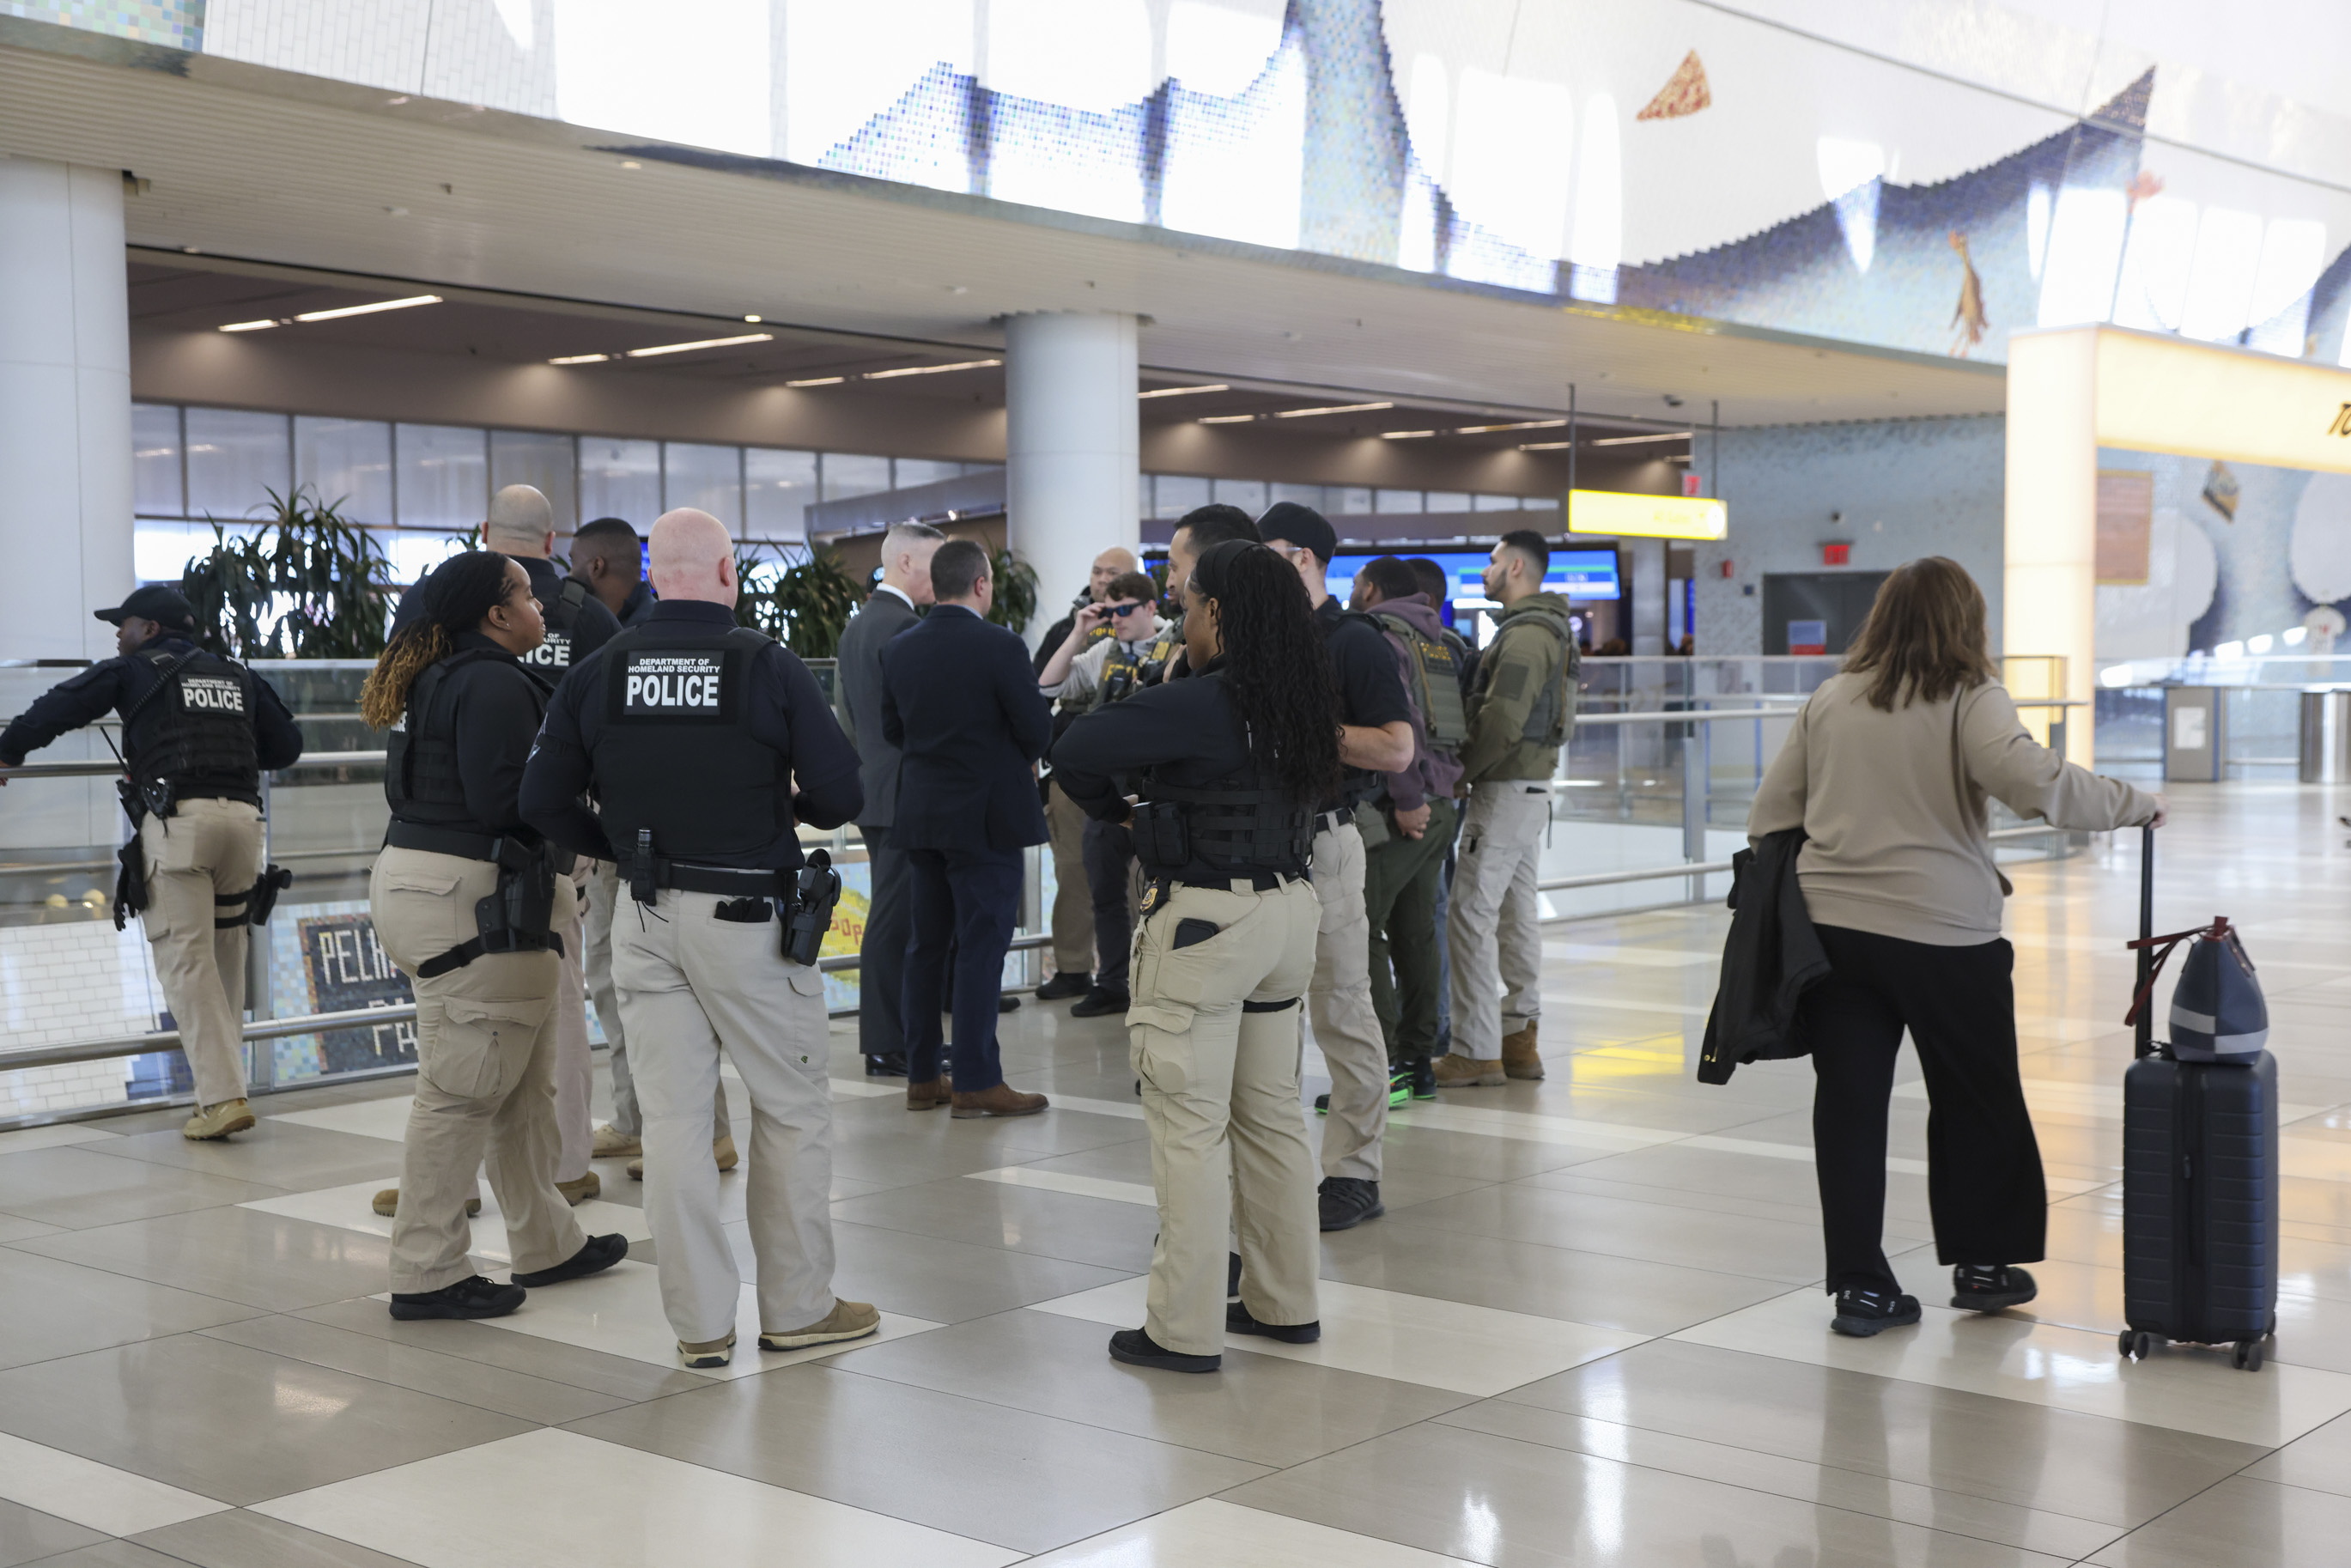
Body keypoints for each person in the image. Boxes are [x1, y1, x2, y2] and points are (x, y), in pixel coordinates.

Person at [1749, 556, 2163, 1337]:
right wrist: (2135, 804)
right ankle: (1981, 1265)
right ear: (1967, 623)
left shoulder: (1832, 699)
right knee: (1976, 1097)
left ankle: (1862, 1288)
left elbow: (1771, 814)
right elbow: (2033, 780)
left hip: (1835, 937)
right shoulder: (1971, 697)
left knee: (1849, 1106)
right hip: (1945, 936)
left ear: (1883, 617)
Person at [522, 508, 877, 1369]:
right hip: (749, 921)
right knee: (788, 1112)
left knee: (674, 1125)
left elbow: (541, 801)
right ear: (726, 572)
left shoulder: (600, 669)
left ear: (653, 570)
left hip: (643, 917)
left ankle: (700, 1325)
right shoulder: (766, 664)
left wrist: (622, 847)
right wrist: (775, 803)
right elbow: (838, 795)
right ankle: (797, 1305)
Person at [1052, 538, 1333, 1373]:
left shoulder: (1204, 703)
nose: (1183, 617)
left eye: (1188, 604)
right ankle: (1286, 1302)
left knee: (1188, 1126)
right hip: (1287, 915)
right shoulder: (1302, 702)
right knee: (1273, 1119)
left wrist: (1127, 814)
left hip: (1206, 926)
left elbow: (1072, 749)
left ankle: (1181, 1328)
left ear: (1217, 613)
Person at [361, 551, 628, 1321]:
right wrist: (608, 835)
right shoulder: (490, 683)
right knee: (461, 1092)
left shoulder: (441, 676)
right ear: (496, 614)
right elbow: (510, 800)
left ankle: (546, 1239)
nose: (541, 599)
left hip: (434, 881)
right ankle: (426, 1270)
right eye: (525, 591)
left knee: (518, 1080)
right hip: (476, 893)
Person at [0, 586, 302, 1140]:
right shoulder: (238, 673)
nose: (119, 634)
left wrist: (8, 749)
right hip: (243, 826)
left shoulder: (132, 670)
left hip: (180, 825)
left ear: (152, 630)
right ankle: (222, 1089)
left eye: (127, 624)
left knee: (187, 960)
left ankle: (221, 1097)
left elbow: (60, 707)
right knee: (226, 954)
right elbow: (286, 747)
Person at [1254, 503, 1413, 1233]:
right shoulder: (1256, 643)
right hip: (1259, 844)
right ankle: (1276, 1169)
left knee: (1343, 1009)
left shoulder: (1356, 643)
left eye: (1271, 554)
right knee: (1267, 1020)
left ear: (1307, 559)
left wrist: (1309, 731)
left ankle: (1354, 1171)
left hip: (1325, 842)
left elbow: (1396, 750)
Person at [879, 538, 1054, 1116]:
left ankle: (924, 1075)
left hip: (922, 812)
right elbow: (1035, 730)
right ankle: (977, 1078)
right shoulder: (1000, 645)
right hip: (986, 818)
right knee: (981, 948)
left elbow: (893, 729)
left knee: (925, 947)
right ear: (982, 584)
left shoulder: (900, 647)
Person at [1440, 531, 1578, 1087]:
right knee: (1518, 915)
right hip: (1531, 791)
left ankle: (1474, 1049)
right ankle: (1520, 1040)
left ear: (1517, 567)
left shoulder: (1523, 638)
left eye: (1493, 561)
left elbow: (1501, 721)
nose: (1486, 571)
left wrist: (1459, 773)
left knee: (1468, 915)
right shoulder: (1551, 630)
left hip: (1503, 790)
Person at [1036, 568, 1179, 1018]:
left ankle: (1155, 983)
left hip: (1156, 788)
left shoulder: (1176, 644)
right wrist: (1081, 628)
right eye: (1110, 610)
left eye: (1124, 610)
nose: (1116, 619)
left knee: (1157, 896)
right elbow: (1048, 684)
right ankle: (1113, 981)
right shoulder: (1105, 651)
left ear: (1151, 607)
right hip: (1108, 789)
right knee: (1104, 892)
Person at [1349, 556, 1467, 1102]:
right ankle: (1418, 1062)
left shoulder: (1383, 638)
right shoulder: (1437, 639)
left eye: (1354, 585)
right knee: (1416, 931)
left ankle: (1385, 1062)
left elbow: (1406, 729)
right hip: (1444, 802)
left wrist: (1407, 799)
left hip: (1407, 806)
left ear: (1370, 589)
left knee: (1364, 926)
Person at [835, 521, 945, 1076]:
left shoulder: (861, 624)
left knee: (901, 915)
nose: (940, 579)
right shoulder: (901, 626)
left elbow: (850, 719)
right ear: (906, 563)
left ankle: (903, 1035)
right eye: (934, 566)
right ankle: (886, 1042)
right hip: (903, 792)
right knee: (897, 920)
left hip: (877, 790)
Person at [1034, 544, 1139, 1000]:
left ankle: (1132, 971)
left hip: (1133, 778)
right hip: (1072, 771)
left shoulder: (1158, 636)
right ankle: (1074, 967)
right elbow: (1040, 686)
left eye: (1112, 573)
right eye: (1096, 571)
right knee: (1074, 872)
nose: (1101, 579)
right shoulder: (1069, 628)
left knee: (1135, 882)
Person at [1406, 556, 1471, 1056]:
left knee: (1422, 914)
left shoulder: (1401, 644)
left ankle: (1424, 1031)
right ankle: (1438, 1025)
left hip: (1414, 795)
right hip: (1449, 793)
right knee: (1436, 909)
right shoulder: (1457, 650)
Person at [570, 515, 657, 625]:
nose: (570, 574)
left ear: (596, 567)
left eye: (573, 561)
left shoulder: (644, 633)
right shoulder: (653, 623)